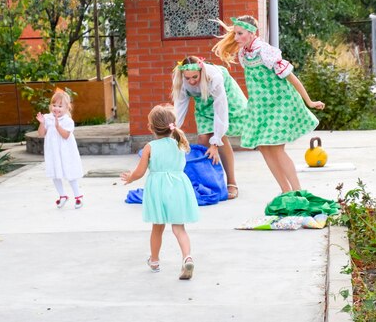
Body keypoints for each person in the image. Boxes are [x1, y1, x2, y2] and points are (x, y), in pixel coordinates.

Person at [212, 16, 325, 193]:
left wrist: (309, 101)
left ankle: (298, 192)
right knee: (264, 148)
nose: (235, 38)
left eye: (240, 34)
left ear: (251, 33)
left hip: (281, 104)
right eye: (235, 34)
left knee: (277, 148)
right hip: (261, 107)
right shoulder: (244, 54)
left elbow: (291, 78)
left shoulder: (265, 51)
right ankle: (285, 191)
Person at [121, 104, 199, 280]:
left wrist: (131, 178)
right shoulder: (180, 143)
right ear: (173, 125)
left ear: (151, 127)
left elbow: (140, 172)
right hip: (178, 187)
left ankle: (154, 260)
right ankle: (187, 257)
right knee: (179, 228)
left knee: (157, 227)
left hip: (158, 190)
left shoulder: (150, 146)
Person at [171, 56, 247, 199]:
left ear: (201, 72)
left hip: (225, 99)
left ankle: (232, 182)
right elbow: (179, 108)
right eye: (188, 78)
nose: (191, 81)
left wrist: (216, 142)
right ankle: (210, 182)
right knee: (203, 139)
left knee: (219, 138)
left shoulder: (214, 77)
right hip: (204, 102)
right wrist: (173, 132)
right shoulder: (181, 81)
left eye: (195, 77)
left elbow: (220, 110)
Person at [36, 89, 84, 209]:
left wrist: (57, 126)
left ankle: (78, 196)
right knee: (55, 173)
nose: (56, 108)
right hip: (53, 151)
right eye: (54, 105)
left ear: (67, 108)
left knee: (69, 172)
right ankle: (62, 195)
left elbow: (66, 135)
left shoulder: (68, 121)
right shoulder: (47, 118)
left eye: (60, 106)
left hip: (66, 152)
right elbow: (41, 134)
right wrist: (42, 123)